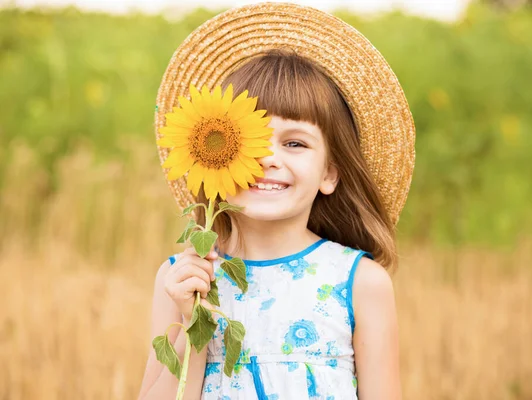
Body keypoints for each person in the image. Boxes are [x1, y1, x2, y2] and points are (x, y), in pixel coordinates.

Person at [138, 3, 415, 399]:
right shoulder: (183, 278)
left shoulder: (359, 282)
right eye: (248, 141)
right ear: (213, 156)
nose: (268, 158)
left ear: (329, 173)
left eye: (295, 143)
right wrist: (193, 323)